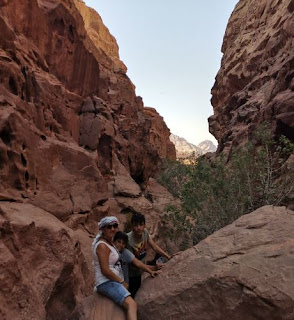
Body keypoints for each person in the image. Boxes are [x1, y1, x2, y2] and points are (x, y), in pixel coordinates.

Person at [92, 216, 137, 320]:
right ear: (103, 229)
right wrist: (121, 281)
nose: (112, 229)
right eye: (109, 227)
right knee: (132, 304)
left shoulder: (109, 243)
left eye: (115, 226)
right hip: (106, 282)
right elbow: (105, 270)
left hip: (110, 281)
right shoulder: (102, 246)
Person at [127, 212, 172, 297]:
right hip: (131, 274)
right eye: (136, 225)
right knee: (133, 293)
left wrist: (168, 256)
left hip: (141, 270)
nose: (139, 228)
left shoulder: (145, 232)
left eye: (141, 225)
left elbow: (154, 247)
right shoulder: (128, 240)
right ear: (132, 226)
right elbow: (136, 263)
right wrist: (152, 269)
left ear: (144, 225)